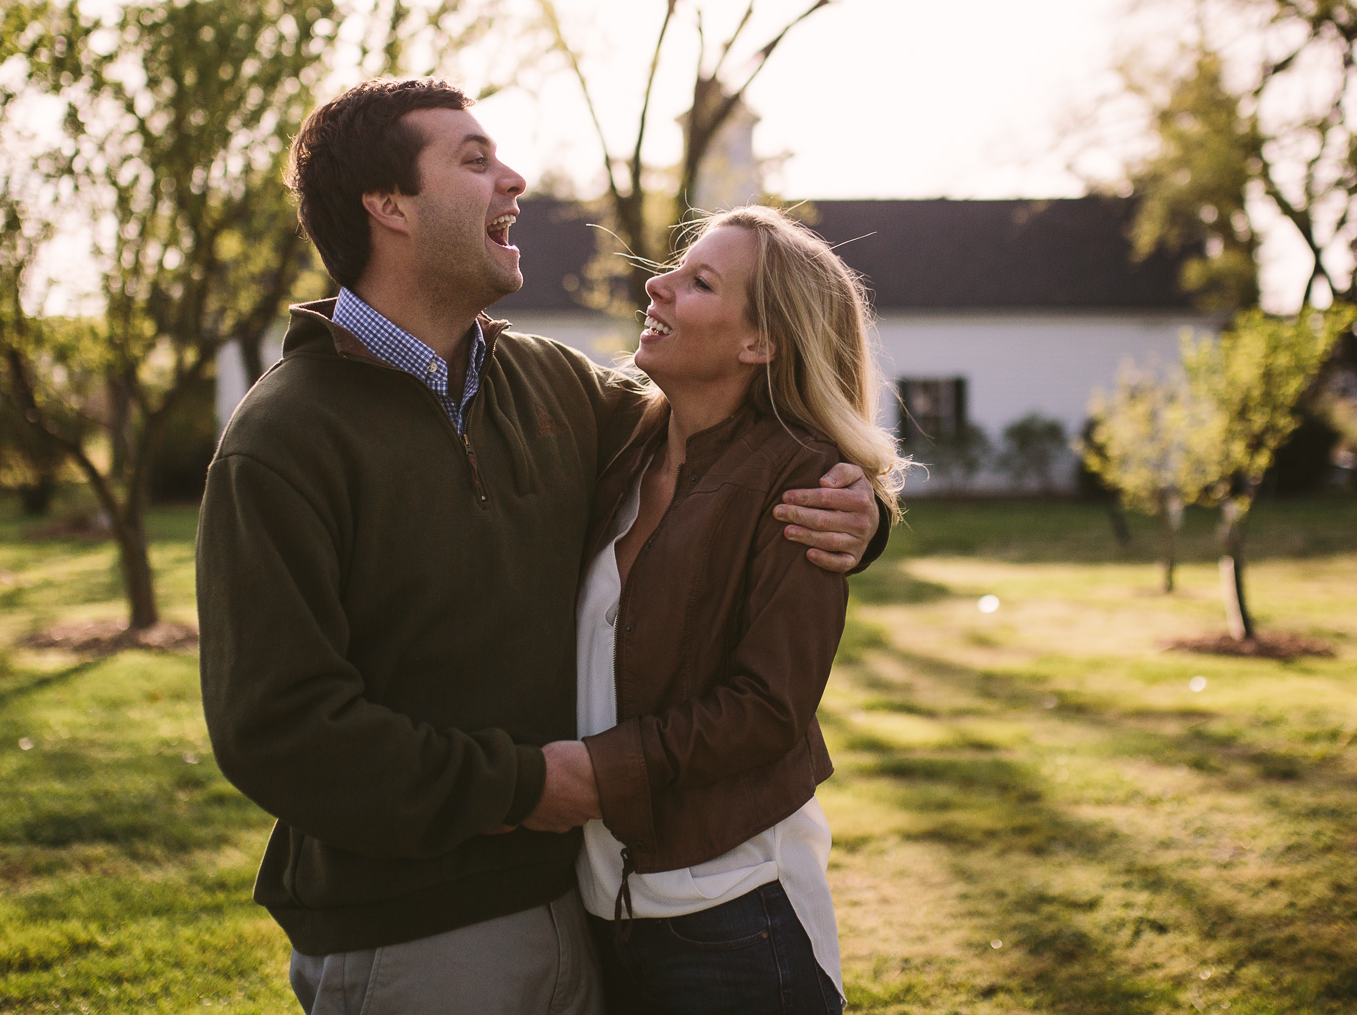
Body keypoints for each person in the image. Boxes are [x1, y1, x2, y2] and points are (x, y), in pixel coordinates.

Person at [195, 79, 887, 1015]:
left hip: (586, 909)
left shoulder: (551, 386)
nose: (514, 179)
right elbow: (279, 731)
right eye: (475, 161)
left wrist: (859, 507)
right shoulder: (283, 441)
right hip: (413, 933)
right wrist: (527, 784)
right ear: (388, 206)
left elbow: (728, 442)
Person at [539, 206, 906, 1014]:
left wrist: (594, 774)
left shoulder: (803, 484)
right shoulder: (623, 448)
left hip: (738, 918)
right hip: (609, 911)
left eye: (699, 280)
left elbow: (768, 709)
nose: (655, 283)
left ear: (761, 343)